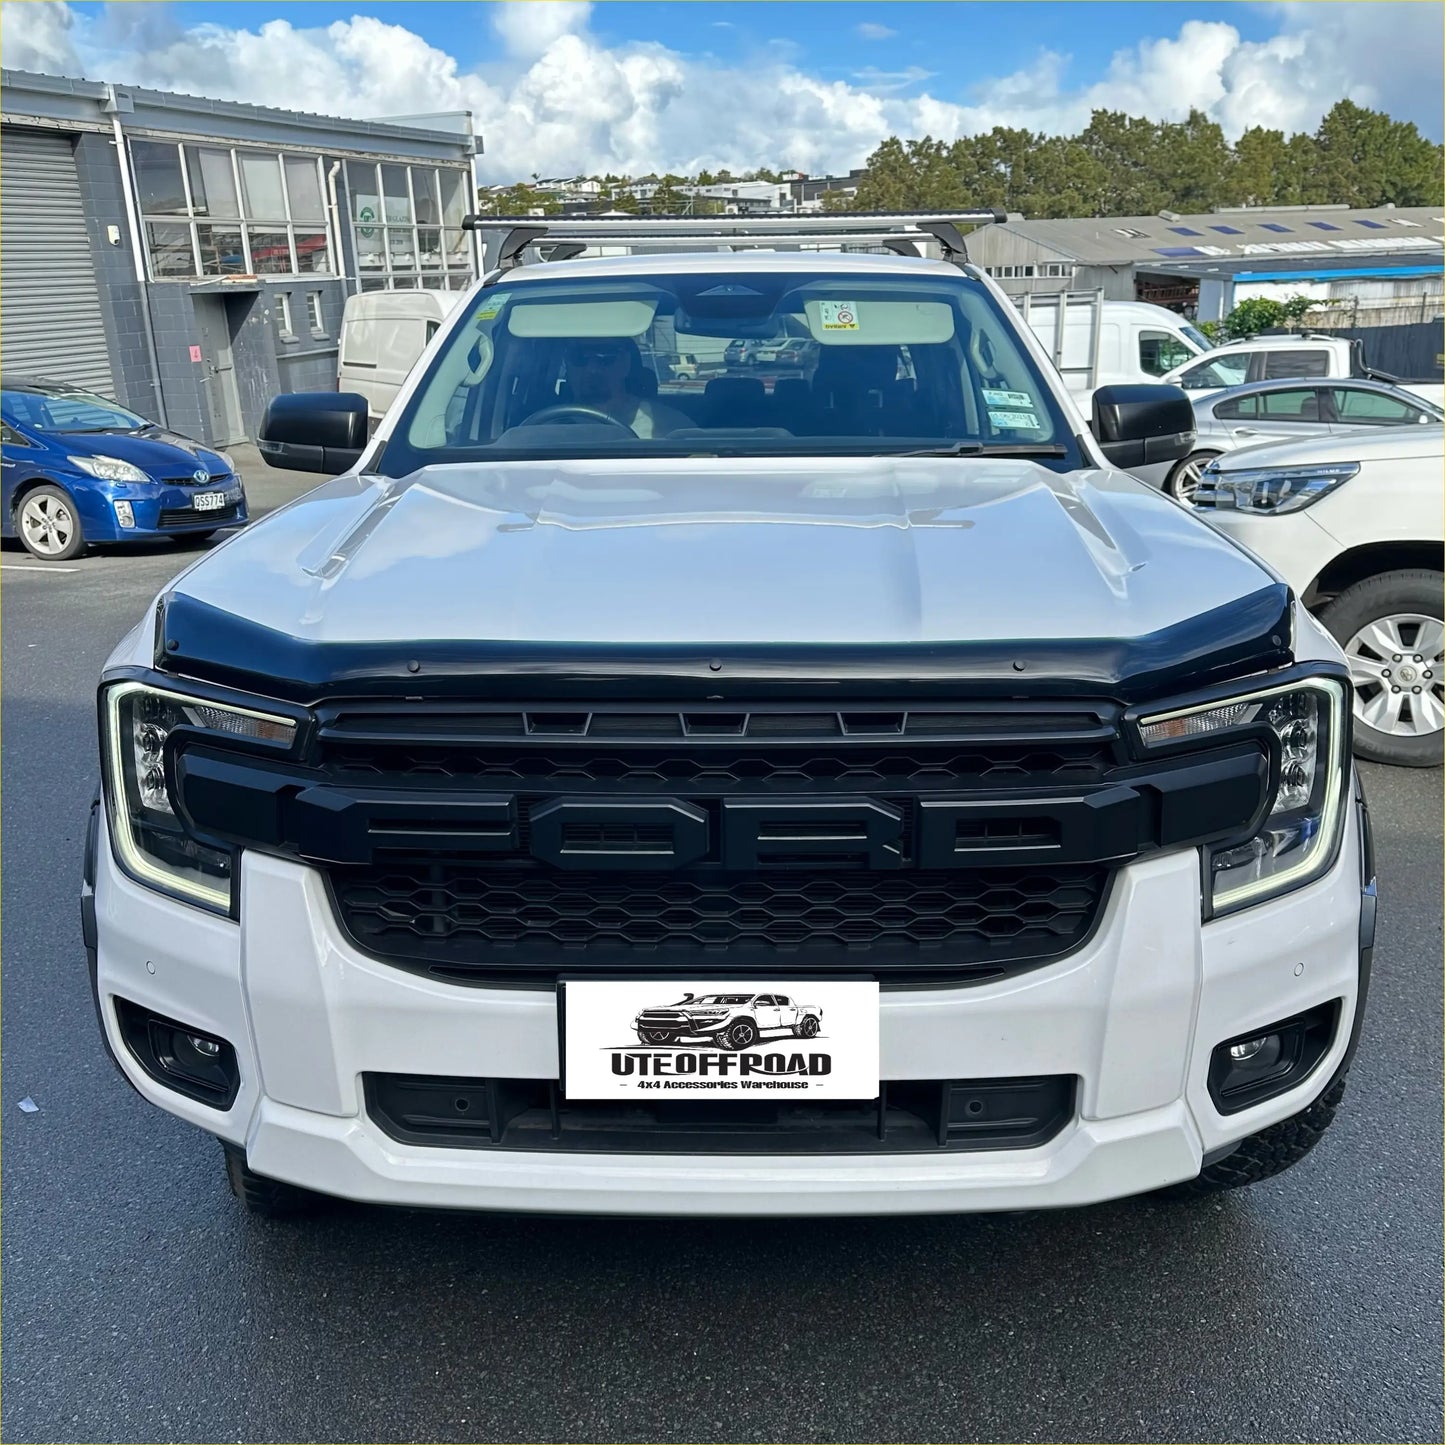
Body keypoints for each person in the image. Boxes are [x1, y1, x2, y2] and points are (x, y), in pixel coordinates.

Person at [562, 337, 692, 437]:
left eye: (606, 357)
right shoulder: (550, 428)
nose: (592, 369)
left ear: (626, 363)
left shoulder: (670, 425)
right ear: (567, 364)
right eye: (579, 357)